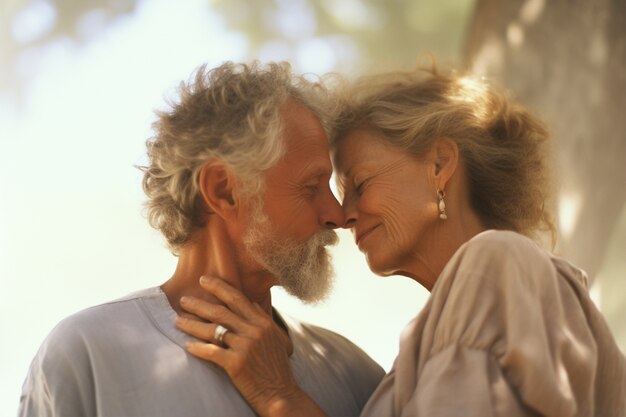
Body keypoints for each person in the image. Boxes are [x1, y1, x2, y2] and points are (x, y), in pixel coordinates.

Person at [175, 66, 626, 416]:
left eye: (359, 183)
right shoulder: (466, 310)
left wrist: (280, 398)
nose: (342, 214)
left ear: (439, 166)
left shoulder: (494, 264)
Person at [18, 61, 385, 417]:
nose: (337, 214)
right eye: (312, 187)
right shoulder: (87, 354)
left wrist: (281, 397)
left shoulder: (355, 374)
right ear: (223, 191)